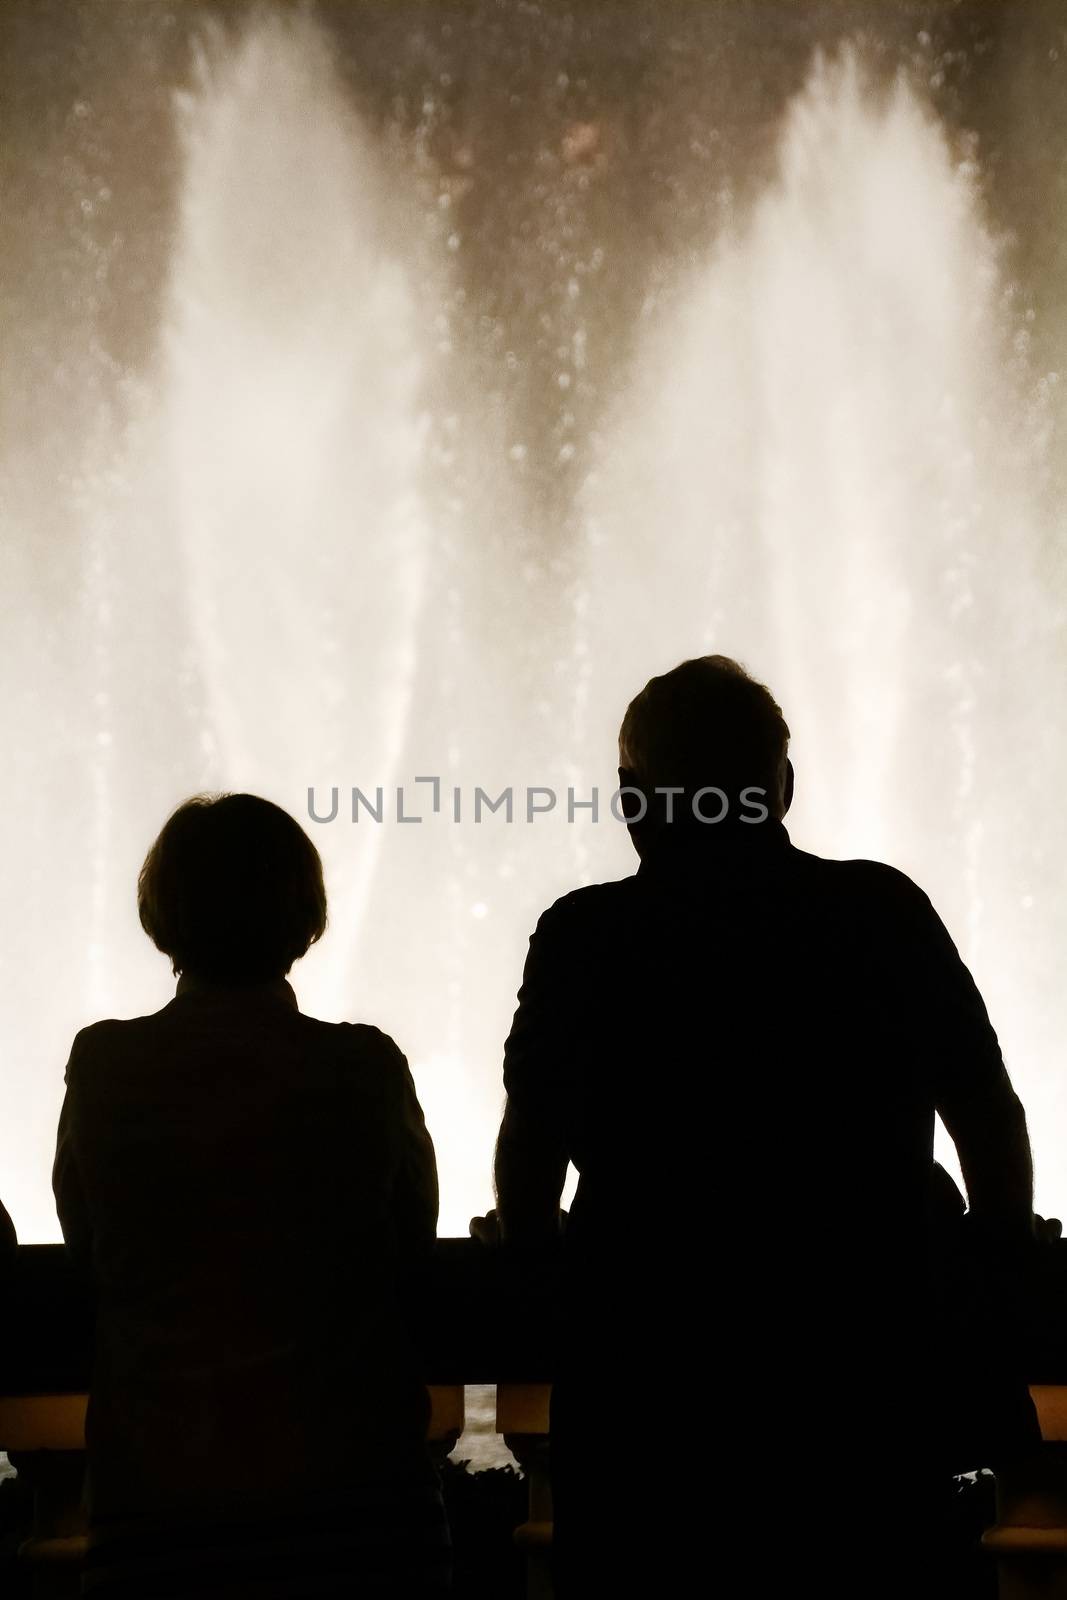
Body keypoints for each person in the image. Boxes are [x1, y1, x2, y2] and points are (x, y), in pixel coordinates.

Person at [477, 655, 1041, 1598]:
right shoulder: (879, 912)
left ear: (630, 798)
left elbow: (532, 1145)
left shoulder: (585, 937)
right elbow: (986, 1112)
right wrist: (998, 1262)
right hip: (865, 1374)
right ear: (781, 784)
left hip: (652, 1377)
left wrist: (530, 1250)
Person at [53, 793, 448, 1597]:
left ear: (162, 913)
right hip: (355, 1505)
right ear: (304, 915)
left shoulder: (103, 1069)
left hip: (159, 1505)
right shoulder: (363, 1069)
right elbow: (412, 1239)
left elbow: (87, 1242)